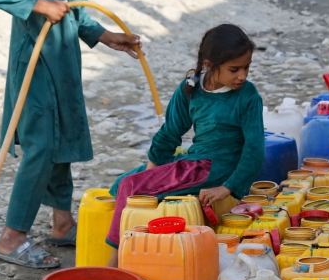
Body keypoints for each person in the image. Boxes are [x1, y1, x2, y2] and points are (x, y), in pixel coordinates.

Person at [0, 0, 142, 269]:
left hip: (64, 64)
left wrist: (107, 37)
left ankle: (62, 223)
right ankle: (11, 238)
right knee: (40, 148)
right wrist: (36, 3)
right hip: (35, 70)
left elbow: (77, 14)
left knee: (61, 144)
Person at [104, 24, 265, 262]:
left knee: (131, 186)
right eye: (234, 69)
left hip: (214, 168)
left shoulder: (248, 96)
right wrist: (151, 173)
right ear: (209, 65)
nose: (242, 75)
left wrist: (227, 188)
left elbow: (255, 149)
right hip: (195, 162)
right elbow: (170, 132)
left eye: (246, 67)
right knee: (121, 185)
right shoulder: (190, 88)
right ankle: (141, 248)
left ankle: (115, 262)